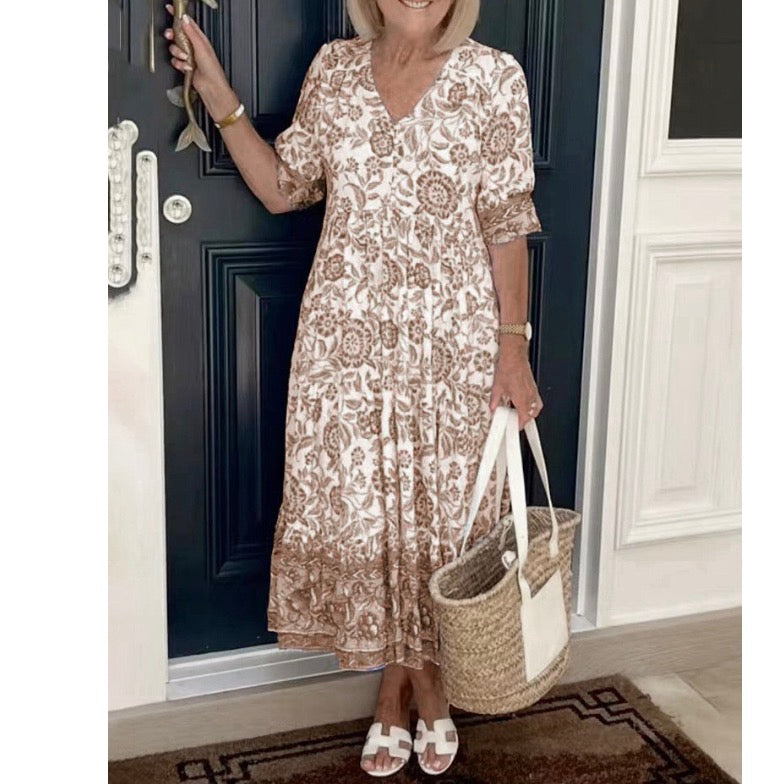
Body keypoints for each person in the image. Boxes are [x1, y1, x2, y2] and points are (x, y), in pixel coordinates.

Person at [165, 0, 544, 776]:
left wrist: (515, 349)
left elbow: (507, 223)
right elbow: (283, 188)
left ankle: (408, 691)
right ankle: (414, 688)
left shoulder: (493, 77)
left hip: (452, 344)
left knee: (440, 523)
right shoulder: (334, 71)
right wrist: (214, 90)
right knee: (369, 518)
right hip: (347, 344)